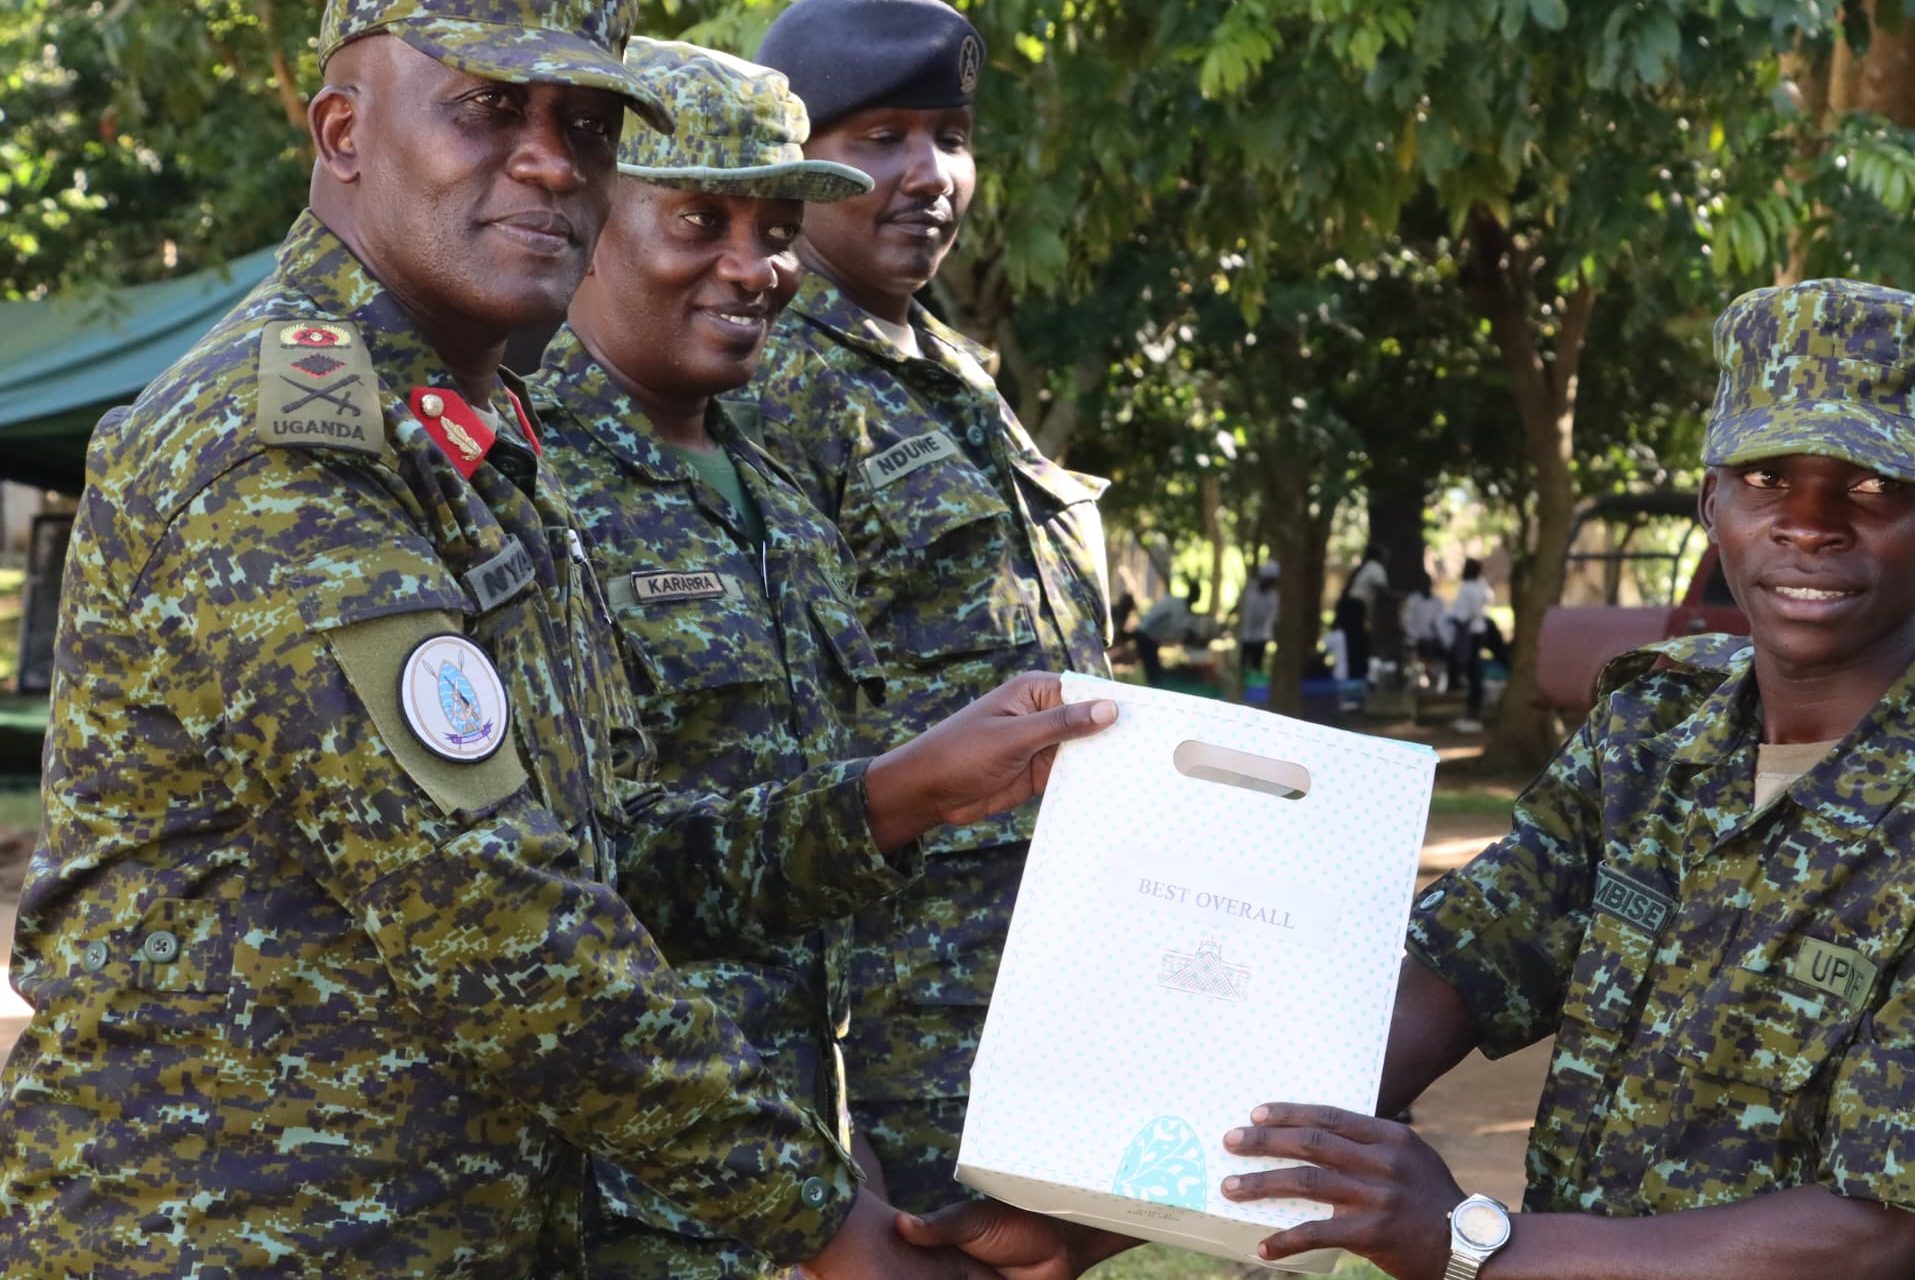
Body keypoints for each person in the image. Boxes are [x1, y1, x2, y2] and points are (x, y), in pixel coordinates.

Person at [0, 5, 1112, 1274]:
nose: (548, 162)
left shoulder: (463, 433)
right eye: (485, 108)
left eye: (586, 125)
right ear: (343, 132)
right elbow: (488, 905)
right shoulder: (281, 436)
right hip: (242, 1237)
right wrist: (825, 1221)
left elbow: (597, 863)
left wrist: (891, 798)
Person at [902, 280, 1915, 1280]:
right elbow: (1451, 974)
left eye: (1873, 487)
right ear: (1710, 493)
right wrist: (1102, 1205)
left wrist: (1470, 1244)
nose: (1810, 523)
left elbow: (1881, 1235)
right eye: (1768, 476)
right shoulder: (1655, 726)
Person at [521, 39, 991, 1278]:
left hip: (787, 1163)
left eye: (778, 229)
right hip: (607, 1192)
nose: (754, 266)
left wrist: (843, 1144)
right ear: (592, 217)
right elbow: (568, 885)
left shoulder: (779, 492)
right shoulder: (520, 482)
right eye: (698, 219)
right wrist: (895, 796)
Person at [750, 0, 1114, 1213]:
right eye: (881, 138)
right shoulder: (767, 377)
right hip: (893, 1024)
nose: (930, 175)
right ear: (795, 166)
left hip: (1031, 985)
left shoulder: (946, 368)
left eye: (950, 137)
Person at [1448, 557, 1497, 732]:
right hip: (1475, 631)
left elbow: (1464, 613)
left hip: (1469, 632)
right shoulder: (1478, 586)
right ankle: (1472, 708)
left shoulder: (1469, 588)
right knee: (1473, 672)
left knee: (1473, 671)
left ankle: (1473, 710)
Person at [1339, 545, 1390, 692]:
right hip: (1357, 608)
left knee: (1354, 645)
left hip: (1351, 609)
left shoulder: (1365, 567)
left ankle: (1356, 678)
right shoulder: (1375, 567)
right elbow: (1382, 590)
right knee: (1359, 645)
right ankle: (1357, 680)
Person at [1134, 584, 1198, 685]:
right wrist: (1143, 630)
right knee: (1152, 672)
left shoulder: (1184, 611)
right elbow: (1154, 617)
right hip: (1145, 636)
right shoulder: (1175, 604)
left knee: (1154, 672)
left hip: (1152, 639)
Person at [1237, 561, 1280, 677]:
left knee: (1256, 667)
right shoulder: (1249, 588)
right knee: (1242, 666)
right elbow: (1239, 605)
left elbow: (1273, 617)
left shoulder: (1274, 596)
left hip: (1261, 636)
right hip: (1245, 635)